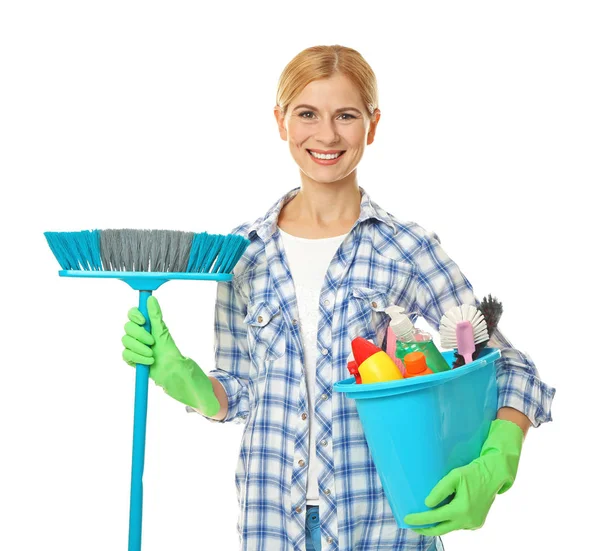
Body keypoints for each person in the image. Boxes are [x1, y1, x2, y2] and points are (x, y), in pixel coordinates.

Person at [121, 45, 555, 551]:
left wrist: (499, 456)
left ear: (372, 125)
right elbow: (240, 391)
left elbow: (510, 368)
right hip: (270, 524)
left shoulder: (405, 248)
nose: (326, 135)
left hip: (385, 526)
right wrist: (186, 379)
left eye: (345, 116)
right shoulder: (242, 253)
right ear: (281, 121)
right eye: (307, 114)